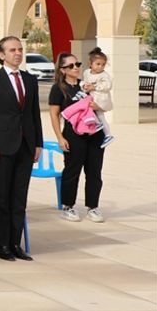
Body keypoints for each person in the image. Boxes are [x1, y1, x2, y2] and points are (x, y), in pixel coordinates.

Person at [0, 36, 42, 261]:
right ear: (1, 54)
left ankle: (16, 242)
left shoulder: (29, 80)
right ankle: (2, 244)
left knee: (19, 197)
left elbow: (34, 115)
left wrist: (38, 143)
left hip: (25, 145)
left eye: (20, 49)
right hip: (1, 147)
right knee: (2, 197)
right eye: (12, 50)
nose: (18, 53)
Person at [48, 52, 106, 223]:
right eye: (71, 66)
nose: (76, 68)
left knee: (94, 171)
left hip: (94, 133)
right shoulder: (58, 88)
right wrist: (60, 137)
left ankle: (92, 207)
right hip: (73, 135)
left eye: (78, 64)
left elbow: (104, 103)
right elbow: (54, 115)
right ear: (63, 69)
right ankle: (68, 206)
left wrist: (97, 105)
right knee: (72, 171)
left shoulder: (86, 85)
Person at [80, 48, 114, 147]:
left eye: (103, 64)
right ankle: (96, 123)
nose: (100, 67)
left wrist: (94, 87)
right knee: (86, 107)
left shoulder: (104, 75)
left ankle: (107, 134)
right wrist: (85, 86)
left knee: (100, 115)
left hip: (100, 98)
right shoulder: (86, 72)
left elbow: (108, 86)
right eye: (98, 64)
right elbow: (86, 81)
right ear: (90, 63)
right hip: (91, 95)